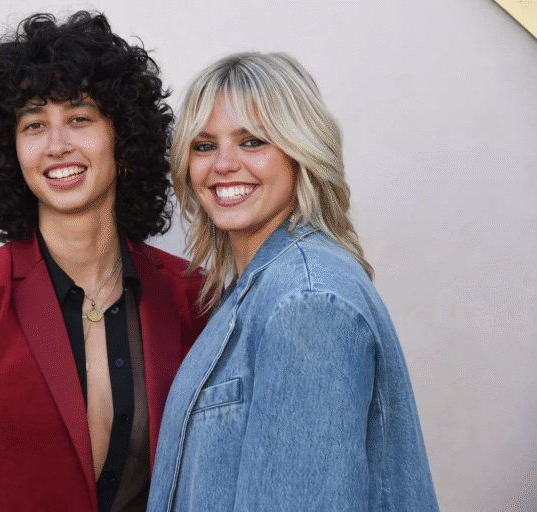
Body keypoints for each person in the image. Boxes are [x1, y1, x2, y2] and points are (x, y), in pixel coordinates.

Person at [0, 12, 206, 512]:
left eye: (80, 118)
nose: (56, 145)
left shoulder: (191, 295)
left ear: (124, 137)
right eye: (34, 124)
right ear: (11, 149)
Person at [147, 52, 439, 511]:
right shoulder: (254, 291)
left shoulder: (305, 302)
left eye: (252, 141)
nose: (223, 164)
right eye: (204, 146)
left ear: (300, 152)